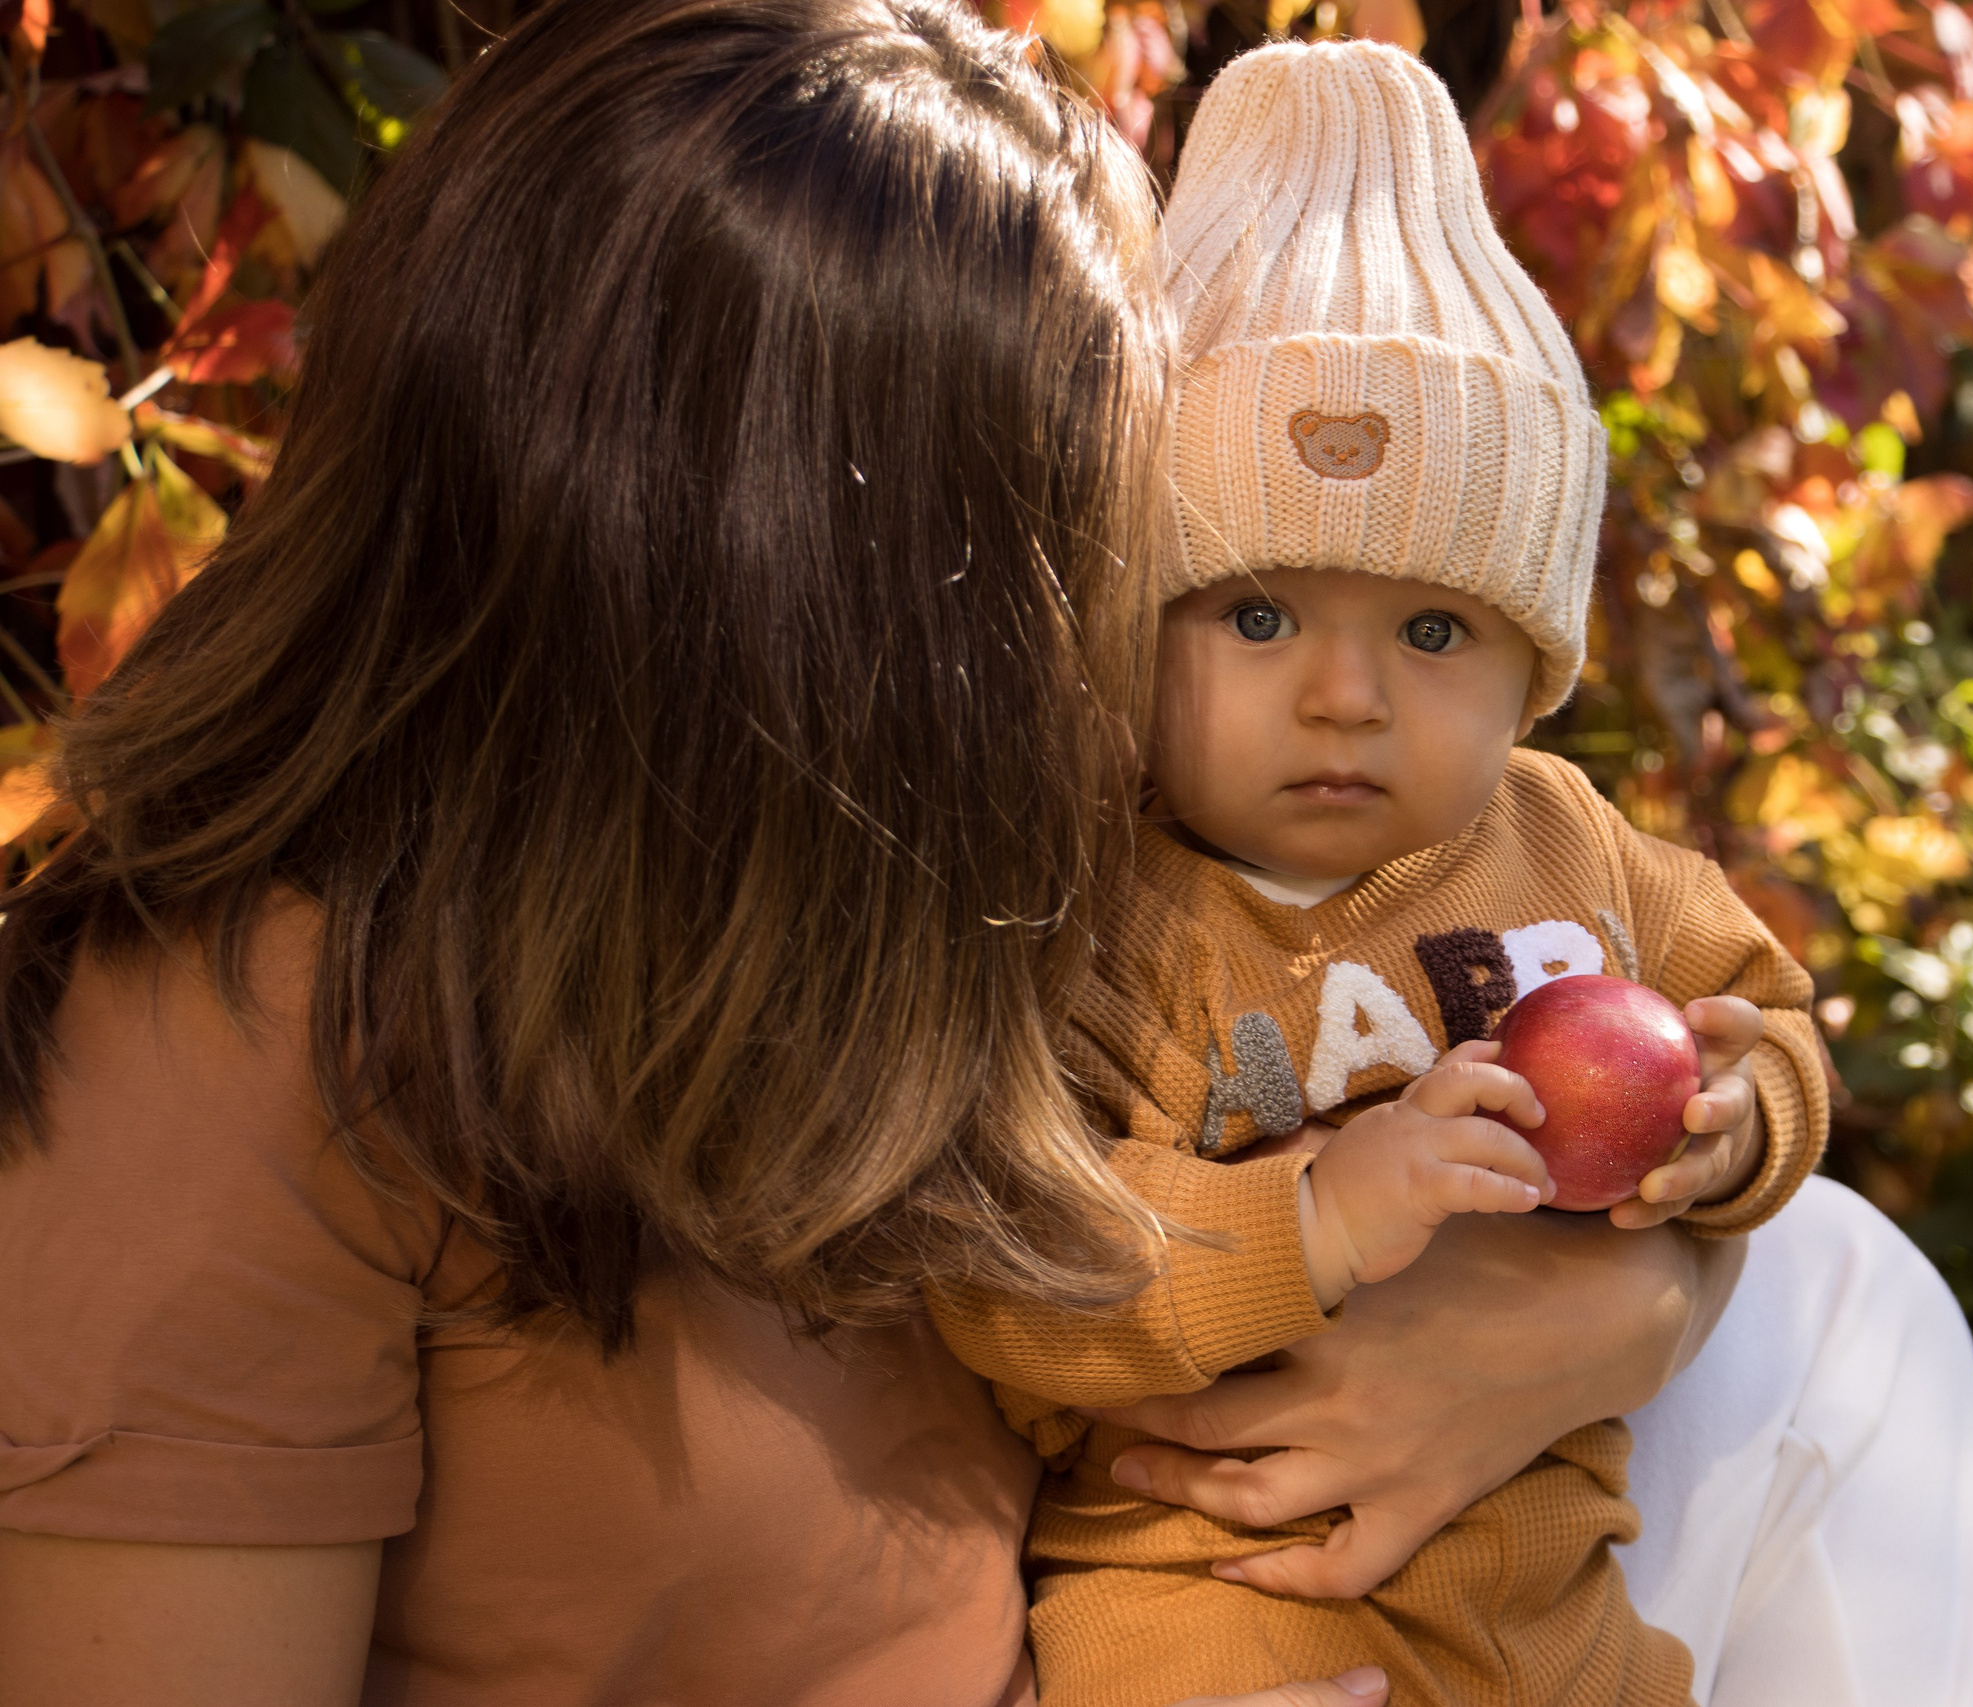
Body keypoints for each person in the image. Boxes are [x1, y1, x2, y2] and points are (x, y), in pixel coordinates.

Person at [0, 4, 1745, 1704]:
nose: (1108, 658)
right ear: (836, 602)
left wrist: (1622, 1308)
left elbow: (1621, 1017)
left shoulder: (892, 900)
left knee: (1853, 1308)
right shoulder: (241, 1075)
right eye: (1088, 558)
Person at [926, 41, 1835, 1707]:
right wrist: (1323, 1210)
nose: (1344, 697)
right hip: (1220, 1606)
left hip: (1552, 1610)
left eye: (1433, 630)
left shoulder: (1567, 845)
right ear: (1125, 626)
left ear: (1534, 667)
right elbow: (1017, 1284)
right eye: (1257, 614)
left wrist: (1734, 1125)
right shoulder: (1083, 918)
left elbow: (1758, 1016)